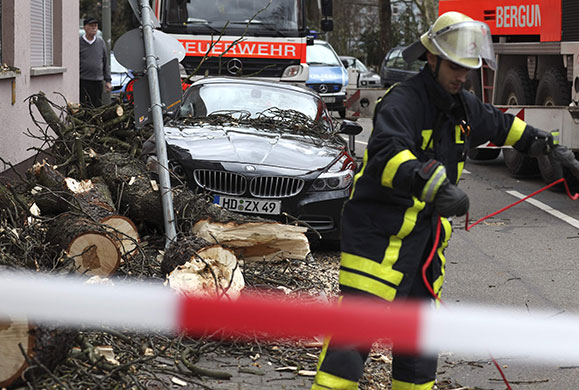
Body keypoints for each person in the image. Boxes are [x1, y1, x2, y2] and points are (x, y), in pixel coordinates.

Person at [311, 11, 555, 390]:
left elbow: (500, 123)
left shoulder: (462, 105)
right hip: (379, 240)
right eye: (456, 66)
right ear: (432, 58)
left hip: (425, 248)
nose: (462, 75)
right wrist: (436, 185)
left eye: (468, 68)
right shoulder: (403, 103)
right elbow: (389, 154)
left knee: (420, 348)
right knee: (350, 343)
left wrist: (544, 144)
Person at [79, 17, 111, 107]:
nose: (94, 28)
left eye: (96, 26)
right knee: (84, 106)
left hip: (97, 81)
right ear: (85, 27)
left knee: (97, 106)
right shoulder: (79, 42)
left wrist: (108, 80)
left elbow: (105, 61)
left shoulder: (100, 42)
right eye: (91, 26)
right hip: (83, 80)